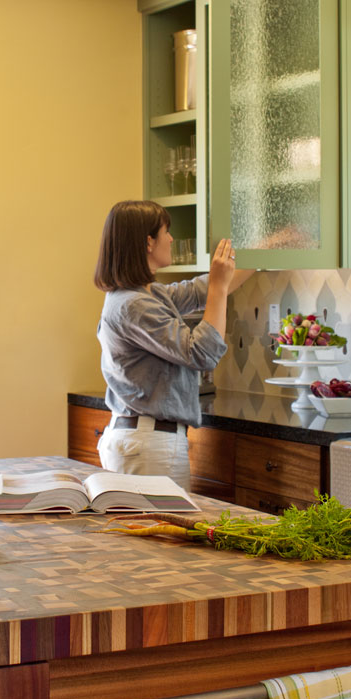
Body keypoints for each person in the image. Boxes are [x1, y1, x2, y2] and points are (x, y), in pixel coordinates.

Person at [92, 200, 253, 488]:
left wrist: (265, 252)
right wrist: (218, 286)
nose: (171, 239)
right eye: (166, 232)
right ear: (148, 242)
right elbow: (201, 353)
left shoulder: (141, 295)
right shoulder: (134, 305)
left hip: (141, 441)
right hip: (149, 446)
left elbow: (198, 290)